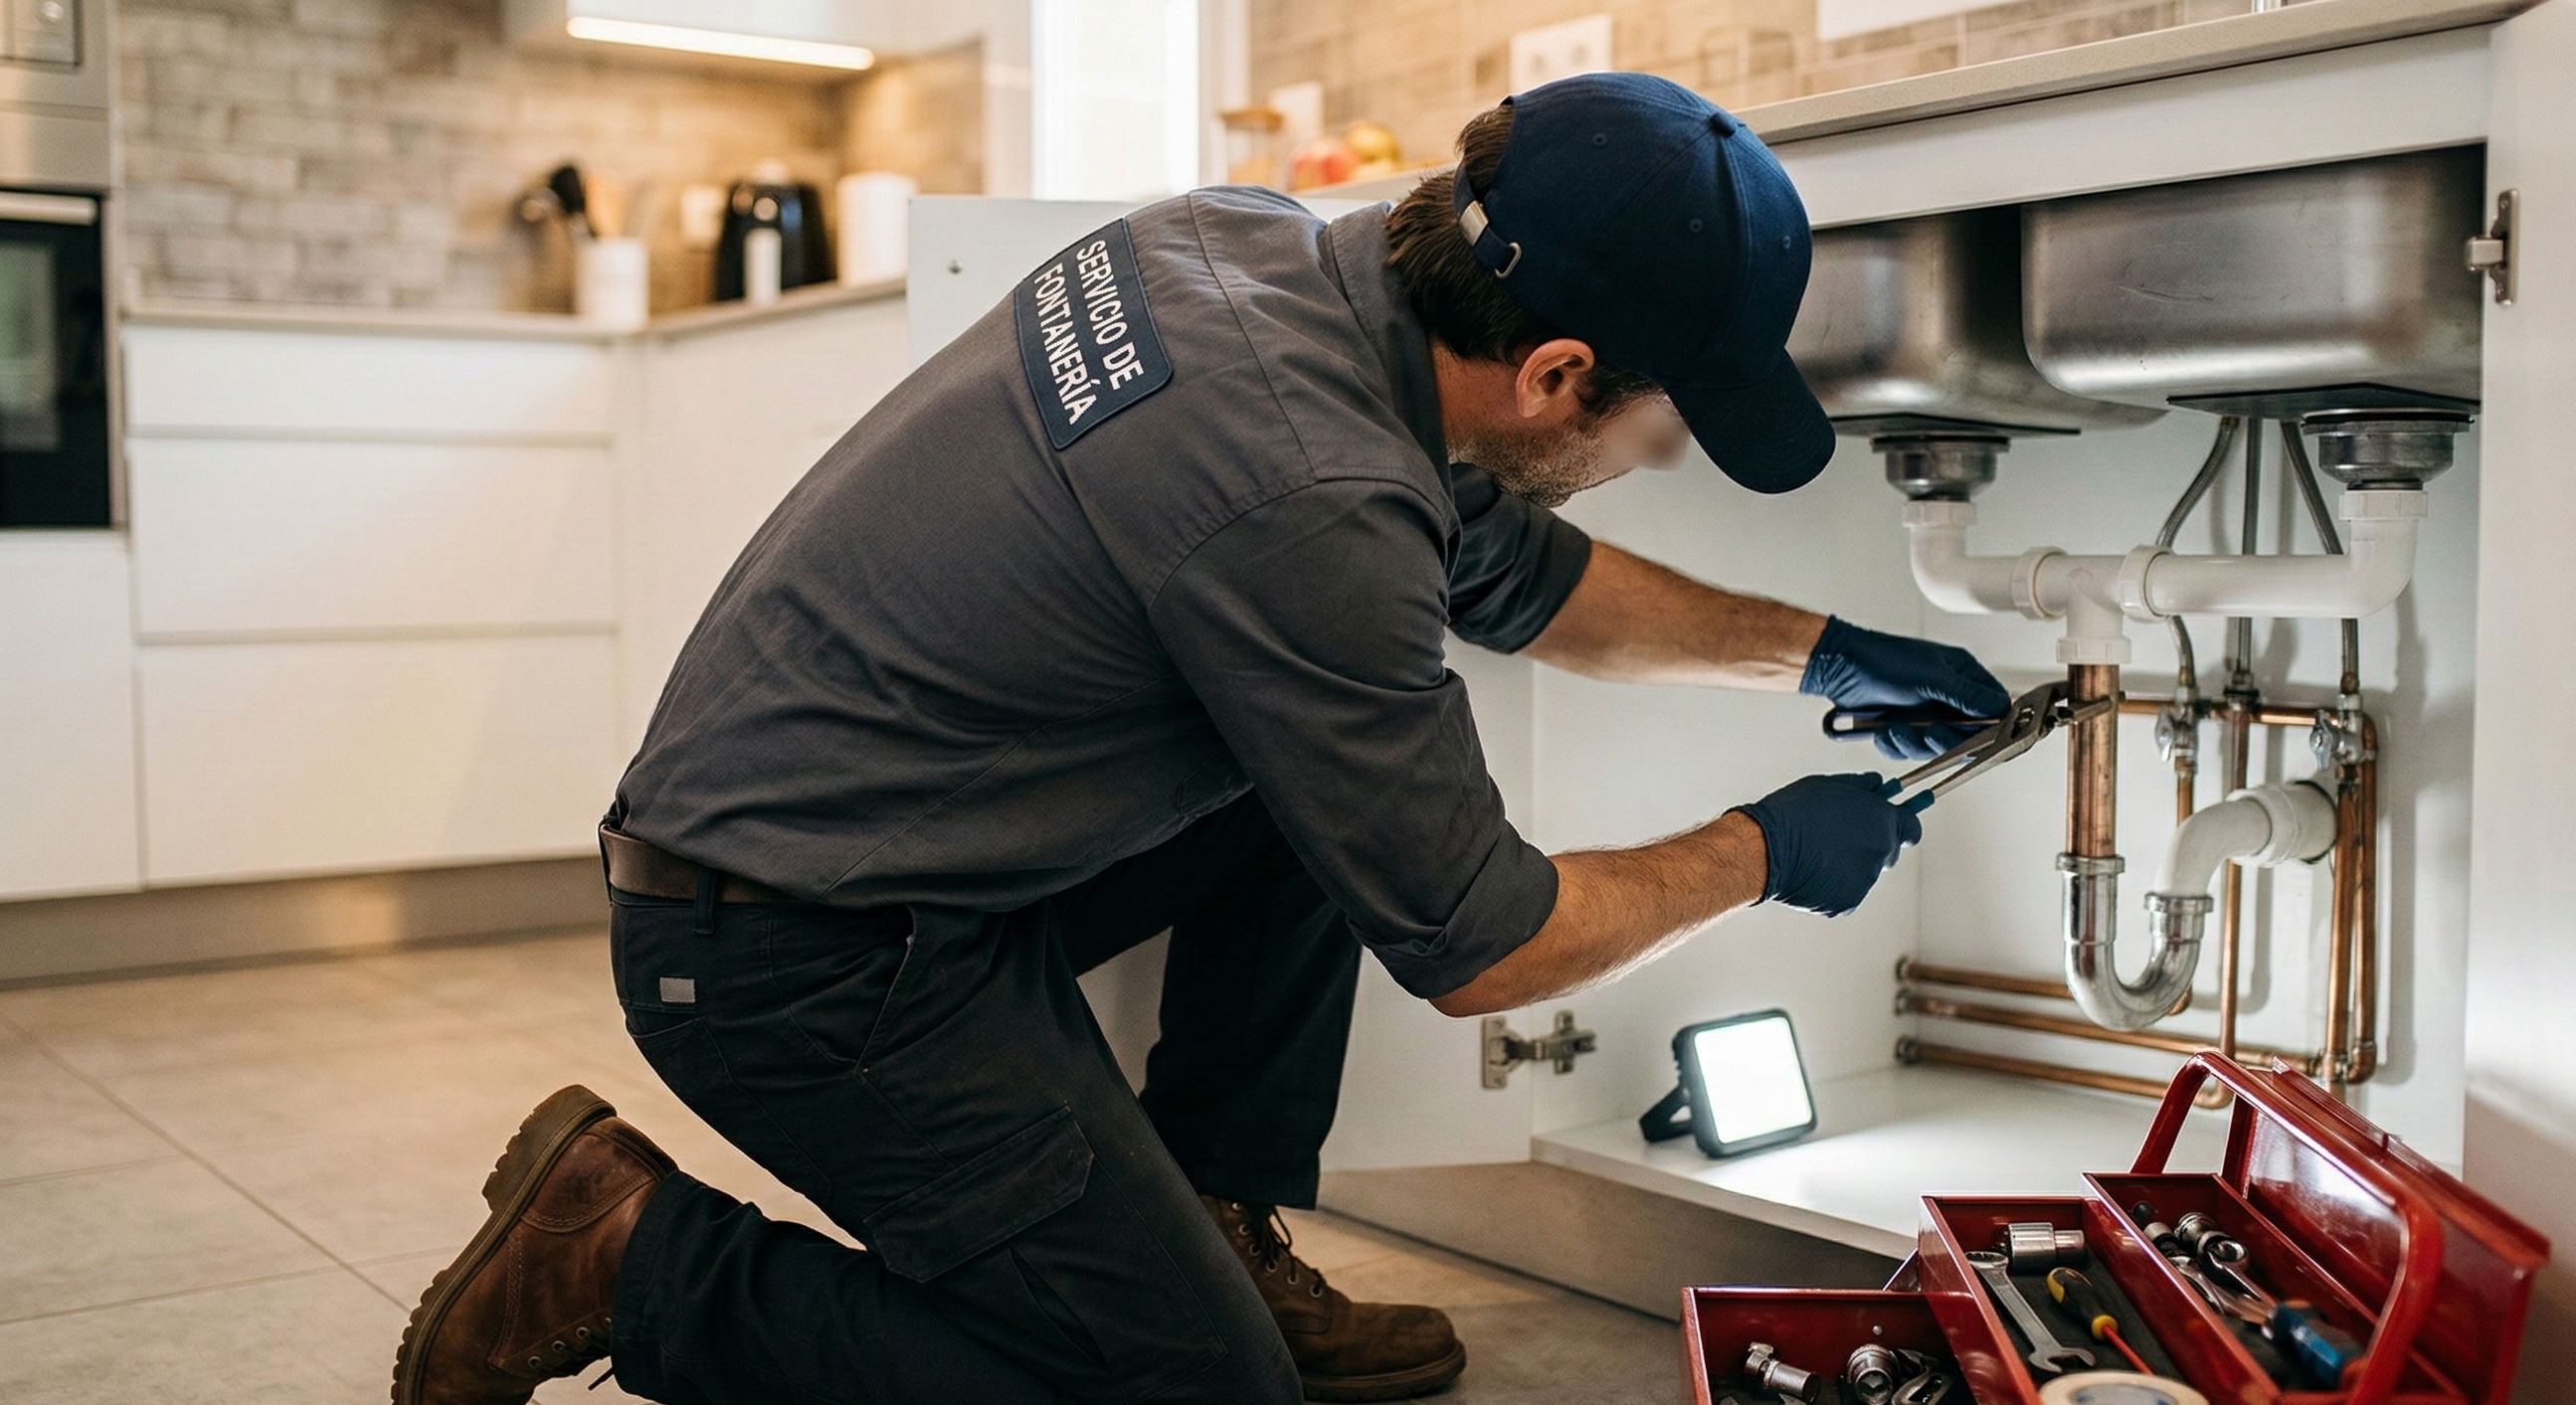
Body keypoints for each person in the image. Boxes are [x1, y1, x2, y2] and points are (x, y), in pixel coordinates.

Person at [391, 72, 2006, 1405]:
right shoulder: (1312, 499)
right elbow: (1478, 939)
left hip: (876, 857)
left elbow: (1517, 579)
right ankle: (628, 1253)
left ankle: (1209, 1226)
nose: (1660, 454)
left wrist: (1816, 655)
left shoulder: (1260, 248)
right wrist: (1760, 857)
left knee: (1320, 792)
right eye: (1663, 422)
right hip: (789, 962)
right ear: (1555, 369)